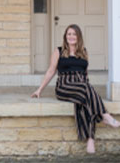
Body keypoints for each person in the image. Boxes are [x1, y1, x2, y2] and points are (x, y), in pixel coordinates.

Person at [31, 24, 120, 154]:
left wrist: (88, 89)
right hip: (64, 85)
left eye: (74, 34)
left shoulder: (84, 51)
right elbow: (51, 71)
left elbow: (86, 73)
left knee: (86, 100)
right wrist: (39, 90)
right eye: (69, 34)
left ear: (78, 37)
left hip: (82, 85)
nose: (71, 36)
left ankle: (90, 139)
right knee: (87, 90)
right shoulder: (59, 51)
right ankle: (104, 115)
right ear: (65, 36)